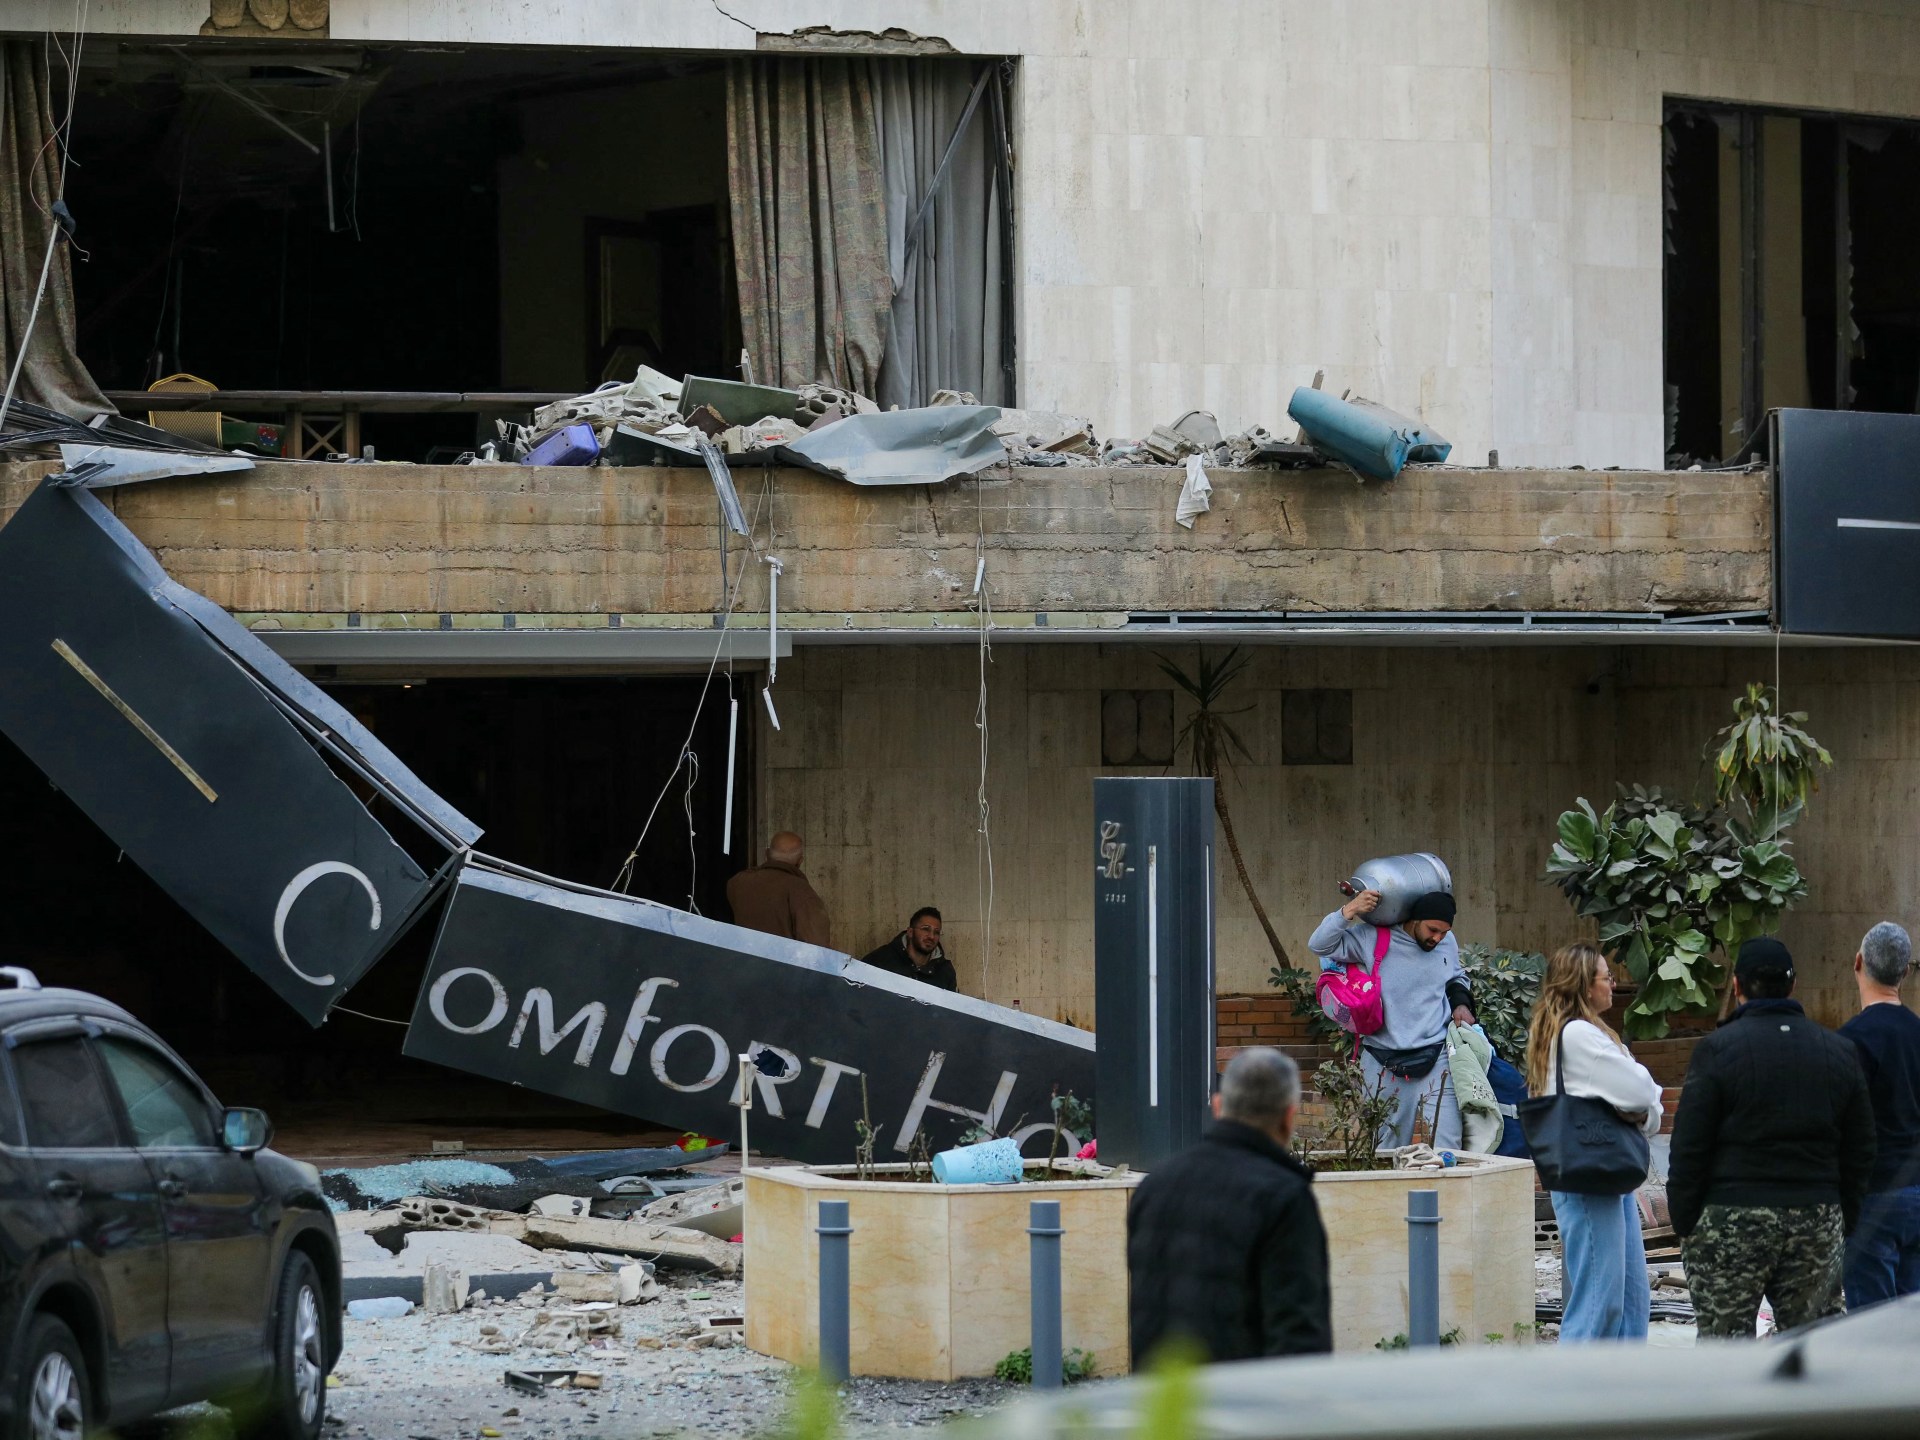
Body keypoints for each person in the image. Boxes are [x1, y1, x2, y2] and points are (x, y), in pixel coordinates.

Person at [1668, 936, 1876, 1337]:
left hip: (1731, 1215)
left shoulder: (1716, 1051)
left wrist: (1687, 1222)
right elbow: (1861, 1147)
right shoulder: (1838, 1051)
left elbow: (1689, 1146)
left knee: (1725, 1346)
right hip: (1815, 1214)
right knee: (1815, 1344)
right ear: (1792, 985)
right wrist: (1841, 1216)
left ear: (1736, 986)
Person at [1126, 1048, 1331, 1363]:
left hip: (1164, 1392)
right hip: (1243, 1393)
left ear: (1218, 1106)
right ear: (1289, 1116)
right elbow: (1299, 1338)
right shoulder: (1284, 1197)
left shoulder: (1154, 1187)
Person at [1524, 943, 1664, 1341]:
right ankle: (1578, 1381)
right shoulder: (1579, 1034)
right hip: (1589, 1178)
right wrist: (1644, 1110)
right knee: (1600, 1303)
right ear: (1585, 985)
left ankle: (1620, 1380)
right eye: (1607, 977)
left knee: (1630, 1299)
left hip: (1603, 1173)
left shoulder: (1578, 1033)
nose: (1613, 984)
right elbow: (1643, 1090)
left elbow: (1643, 1098)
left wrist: (1644, 1108)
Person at [1310, 887, 1474, 1150]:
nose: (1437, 938)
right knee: (1387, 1149)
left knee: (1448, 1145)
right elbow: (1319, 945)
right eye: (1432, 930)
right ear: (1415, 919)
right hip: (1383, 1060)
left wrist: (1461, 1004)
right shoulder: (1373, 937)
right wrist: (1350, 909)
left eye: (1444, 932)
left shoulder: (1447, 942)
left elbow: (1456, 976)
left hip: (1436, 1056)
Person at [1839, 921, 1920, 1309]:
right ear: (1904, 972)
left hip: (1872, 1197)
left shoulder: (1850, 1041)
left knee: (1871, 1324)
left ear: (1858, 962)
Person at [724, 832, 831, 947]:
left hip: (743, 956)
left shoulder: (738, 882)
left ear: (766, 854)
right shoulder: (800, 891)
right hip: (781, 958)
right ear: (800, 861)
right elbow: (816, 944)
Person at [860, 907, 958, 992]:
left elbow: (951, 1006)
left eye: (936, 932)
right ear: (910, 932)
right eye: (925, 929)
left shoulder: (945, 971)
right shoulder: (881, 960)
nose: (931, 936)